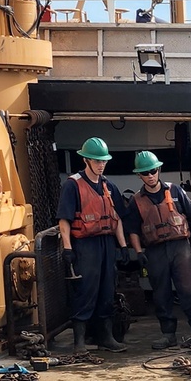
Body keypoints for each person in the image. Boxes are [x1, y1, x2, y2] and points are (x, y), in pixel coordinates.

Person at [123, 151, 191, 350]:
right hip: (155, 251)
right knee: (161, 293)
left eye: (153, 171)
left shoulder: (175, 191)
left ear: (159, 170)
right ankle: (168, 335)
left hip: (179, 247)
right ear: (139, 175)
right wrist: (139, 252)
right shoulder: (136, 201)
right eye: (146, 173)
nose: (150, 175)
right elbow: (133, 231)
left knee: (188, 290)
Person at [57, 138, 128, 352]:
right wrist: (68, 248)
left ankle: (105, 337)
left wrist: (123, 246)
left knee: (107, 289)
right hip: (85, 245)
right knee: (85, 290)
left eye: (103, 161)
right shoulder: (72, 185)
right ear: (86, 160)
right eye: (97, 160)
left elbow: (116, 218)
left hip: (106, 242)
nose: (101, 164)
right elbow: (64, 220)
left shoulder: (108, 186)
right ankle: (79, 341)